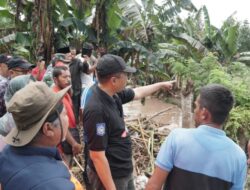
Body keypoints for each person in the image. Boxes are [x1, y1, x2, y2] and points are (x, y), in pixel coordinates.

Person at [83, 54, 174, 190]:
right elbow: (97, 156)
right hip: (112, 175)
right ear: (114, 80)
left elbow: (137, 93)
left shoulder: (113, 94)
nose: (128, 79)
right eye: (125, 75)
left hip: (124, 169)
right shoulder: (97, 110)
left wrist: (160, 85)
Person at [145, 84, 247, 190]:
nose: (194, 111)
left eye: (196, 106)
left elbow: (153, 186)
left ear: (204, 113)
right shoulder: (239, 157)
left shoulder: (177, 138)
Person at [0, 82, 83, 190]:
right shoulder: (55, 184)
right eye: (65, 114)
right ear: (48, 128)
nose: (67, 119)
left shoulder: (7, 154)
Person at [52, 66, 82, 166]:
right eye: (64, 77)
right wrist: (73, 143)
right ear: (55, 79)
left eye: (69, 77)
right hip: (63, 142)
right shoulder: (55, 96)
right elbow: (60, 124)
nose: (68, 80)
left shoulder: (66, 92)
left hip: (70, 134)